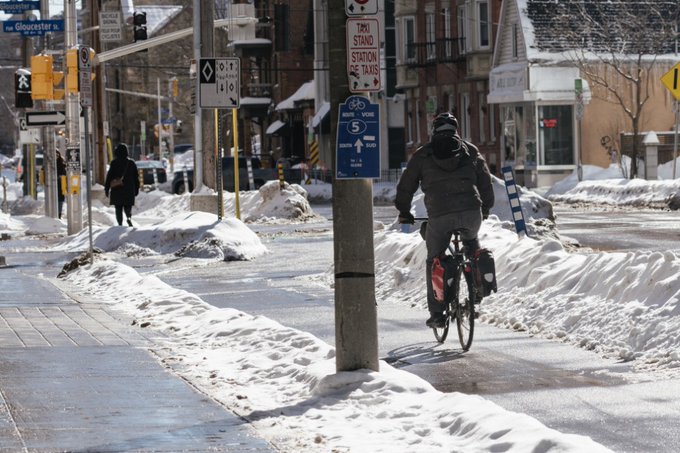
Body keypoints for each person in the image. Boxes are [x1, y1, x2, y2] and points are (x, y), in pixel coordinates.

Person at [395, 112, 495, 328]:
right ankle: (476, 290)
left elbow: (406, 185)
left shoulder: (423, 155)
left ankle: (438, 314)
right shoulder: (471, 151)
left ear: (434, 131)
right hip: (471, 212)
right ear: (456, 130)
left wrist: (404, 211)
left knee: (434, 259)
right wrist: (485, 208)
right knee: (472, 245)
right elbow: (486, 183)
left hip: (439, 215)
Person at [105, 144, 140, 226]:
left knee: (118, 208)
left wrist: (107, 189)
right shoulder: (131, 163)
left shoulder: (114, 163)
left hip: (117, 189)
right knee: (128, 206)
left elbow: (109, 177)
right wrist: (136, 189)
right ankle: (128, 217)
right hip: (129, 189)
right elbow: (136, 177)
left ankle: (120, 223)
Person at [56, 150, 66, 219]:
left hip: (61, 185)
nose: (56, 156)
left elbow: (65, 173)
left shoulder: (62, 163)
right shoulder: (48, 164)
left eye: (57, 155)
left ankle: (59, 214)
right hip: (52, 186)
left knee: (60, 200)